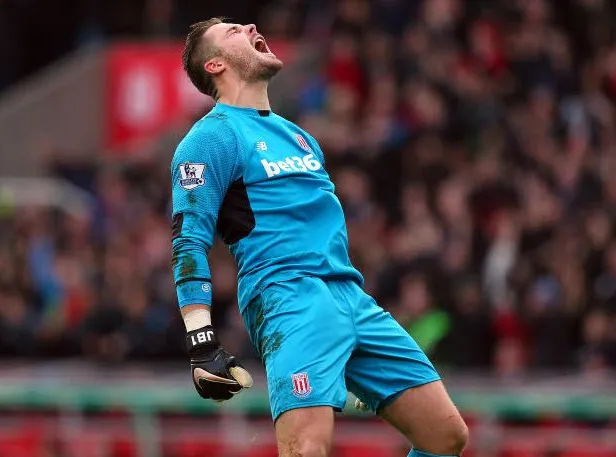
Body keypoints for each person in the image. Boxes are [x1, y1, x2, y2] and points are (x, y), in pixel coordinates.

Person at [170, 17, 468, 457]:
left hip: (350, 297)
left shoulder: (300, 138)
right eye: (232, 31)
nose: (249, 26)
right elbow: (188, 240)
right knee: (306, 448)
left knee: (445, 437)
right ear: (215, 65)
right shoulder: (211, 138)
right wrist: (201, 339)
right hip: (288, 297)